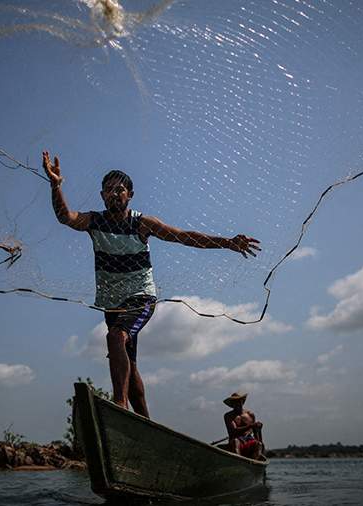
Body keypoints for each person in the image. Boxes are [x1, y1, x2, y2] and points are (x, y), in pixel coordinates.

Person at [42, 151, 260, 417]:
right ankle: (144, 422)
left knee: (115, 337)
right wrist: (55, 185)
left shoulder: (142, 223)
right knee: (127, 361)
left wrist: (227, 243)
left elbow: (183, 237)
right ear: (101, 195)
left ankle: (120, 407)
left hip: (140, 296)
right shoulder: (94, 221)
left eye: (120, 189)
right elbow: (66, 217)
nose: (114, 194)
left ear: (129, 195)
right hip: (112, 302)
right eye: (109, 190)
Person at [223, 392, 264, 460]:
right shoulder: (228, 416)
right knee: (235, 442)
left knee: (258, 444)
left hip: (249, 440)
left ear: (243, 402)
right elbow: (233, 431)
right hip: (236, 441)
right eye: (235, 402)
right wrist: (250, 425)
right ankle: (239, 463)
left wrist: (259, 430)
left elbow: (256, 434)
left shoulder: (250, 415)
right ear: (232, 404)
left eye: (239, 401)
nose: (237, 403)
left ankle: (253, 464)